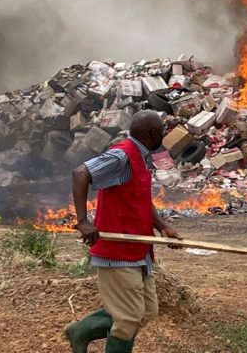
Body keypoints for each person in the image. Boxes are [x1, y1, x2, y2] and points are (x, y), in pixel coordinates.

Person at [65, 110, 182, 353]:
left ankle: (81, 331)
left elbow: (139, 199)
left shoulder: (142, 157)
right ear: (153, 133)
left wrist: (163, 228)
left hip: (138, 249)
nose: (163, 134)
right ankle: (84, 334)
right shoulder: (122, 156)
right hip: (117, 251)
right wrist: (83, 221)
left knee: (147, 311)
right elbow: (80, 173)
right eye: (161, 130)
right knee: (128, 319)